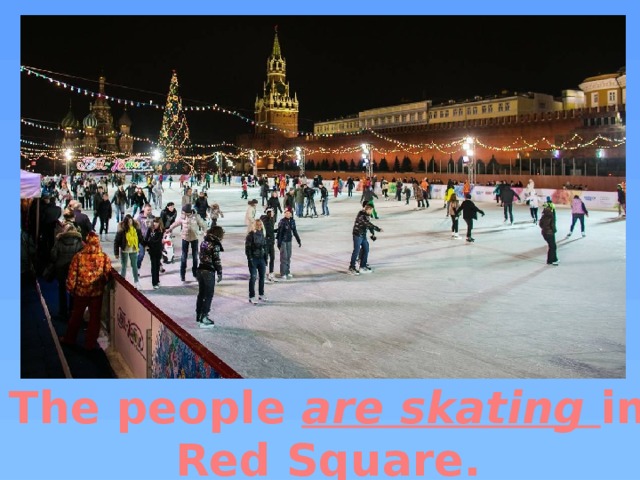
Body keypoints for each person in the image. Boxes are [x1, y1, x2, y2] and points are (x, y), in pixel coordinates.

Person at [60, 232, 112, 350]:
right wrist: (100, 284)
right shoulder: (104, 257)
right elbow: (106, 274)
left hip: (81, 292)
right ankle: (90, 344)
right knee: (94, 318)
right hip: (96, 293)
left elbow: (72, 274)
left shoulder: (78, 257)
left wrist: (71, 288)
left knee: (76, 316)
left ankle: (69, 339)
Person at [49, 209, 83, 319]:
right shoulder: (78, 242)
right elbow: (81, 256)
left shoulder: (59, 241)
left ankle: (63, 312)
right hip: (73, 269)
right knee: (73, 290)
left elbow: (53, 255)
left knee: (62, 290)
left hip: (60, 268)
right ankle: (72, 310)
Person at [168, 204, 207, 282]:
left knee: (195, 257)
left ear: (188, 212)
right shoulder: (183, 216)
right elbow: (176, 223)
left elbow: (203, 224)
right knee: (183, 257)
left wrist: (205, 231)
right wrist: (170, 228)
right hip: (185, 238)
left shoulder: (196, 216)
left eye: (184, 211)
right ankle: (182, 275)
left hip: (194, 238)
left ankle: (195, 273)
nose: (183, 213)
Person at [195, 224, 224, 327]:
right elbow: (216, 260)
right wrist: (219, 272)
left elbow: (201, 255)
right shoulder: (215, 244)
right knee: (208, 295)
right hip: (208, 271)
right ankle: (204, 317)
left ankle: (199, 315)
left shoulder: (204, 242)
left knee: (201, 294)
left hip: (200, 269)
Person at [348, 202, 382, 275]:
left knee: (366, 249)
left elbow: (368, 225)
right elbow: (367, 224)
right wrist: (377, 229)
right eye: (371, 210)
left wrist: (373, 234)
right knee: (356, 251)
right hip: (357, 235)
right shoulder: (361, 215)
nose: (372, 211)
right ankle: (351, 267)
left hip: (363, 235)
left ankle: (362, 266)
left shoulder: (367, 215)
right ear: (368, 209)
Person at [114, 214, 143, 289]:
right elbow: (116, 241)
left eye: (131, 220)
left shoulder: (136, 229)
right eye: (129, 221)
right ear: (126, 222)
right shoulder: (122, 230)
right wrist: (116, 253)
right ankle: (122, 282)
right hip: (125, 250)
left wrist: (145, 245)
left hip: (133, 249)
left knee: (134, 266)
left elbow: (140, 238)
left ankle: (136, 282)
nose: (130, 222)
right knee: (124, 266)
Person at [245, 218, 268, 304]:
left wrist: (266, 258)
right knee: (253, 277)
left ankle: (261, 294)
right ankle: (252, 296)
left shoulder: (262, 234)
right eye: (257, 224)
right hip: (253, 259)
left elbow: (265, 246)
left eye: (260, 224)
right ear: (254, 225)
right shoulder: (250, 235)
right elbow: (247, 249)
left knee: (262, 277)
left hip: (261, 258)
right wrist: (250, 259)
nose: (259, 226)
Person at [276, 209, 301, 280]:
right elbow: (279, 233)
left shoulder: (292, 221)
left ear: (291, 214)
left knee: (288, 256)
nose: (287, 214)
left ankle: (287, 271)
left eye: (288, 213)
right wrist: (279, 243)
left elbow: (294, 231)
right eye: (285, 213)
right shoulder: (282, 221)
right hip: (283, 241)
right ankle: (283, 273)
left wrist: (298, 240)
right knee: (284, 257)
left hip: (289, 241)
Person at [144, 217, 164, 289]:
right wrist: (146, 245)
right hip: (152, 251)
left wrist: (149, 243)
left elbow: (157, 240)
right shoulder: (150, 229)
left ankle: (157, 280)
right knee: (154, 266)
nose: (155, 224)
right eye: (154, 222)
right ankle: (154, 283)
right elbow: (146, 238)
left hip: (158, 250)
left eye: (157, 222)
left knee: (157, 265)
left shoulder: (161, 230)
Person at [260, 208, 278, 283]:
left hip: (271, 242)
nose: (274, 213)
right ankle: (263, 275)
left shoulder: (271, 219)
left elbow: (271, 230)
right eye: (272, 212)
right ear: (269, 213)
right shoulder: (265, 220)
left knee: (272, 258)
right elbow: (266, 230)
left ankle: (271, 273)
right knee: (265, 258)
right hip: (266, 242)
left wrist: (277, 230)